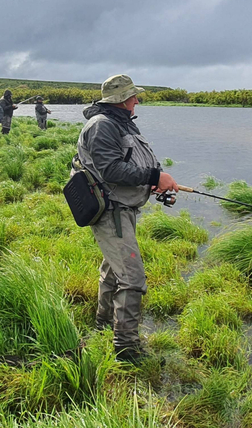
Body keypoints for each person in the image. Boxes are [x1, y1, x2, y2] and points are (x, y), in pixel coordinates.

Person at [76, 74, 178, 363]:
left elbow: (134, 161)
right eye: (133, 96)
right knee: (132, 278)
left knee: (112, 271)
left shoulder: (121, 121)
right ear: (120, 100)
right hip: (111, 212)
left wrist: (155, 180)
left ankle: (103, 326)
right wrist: (155, 176)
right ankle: (126, 348)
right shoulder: (102, 126)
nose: (137, 100)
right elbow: (110, 170)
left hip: (124, 209)